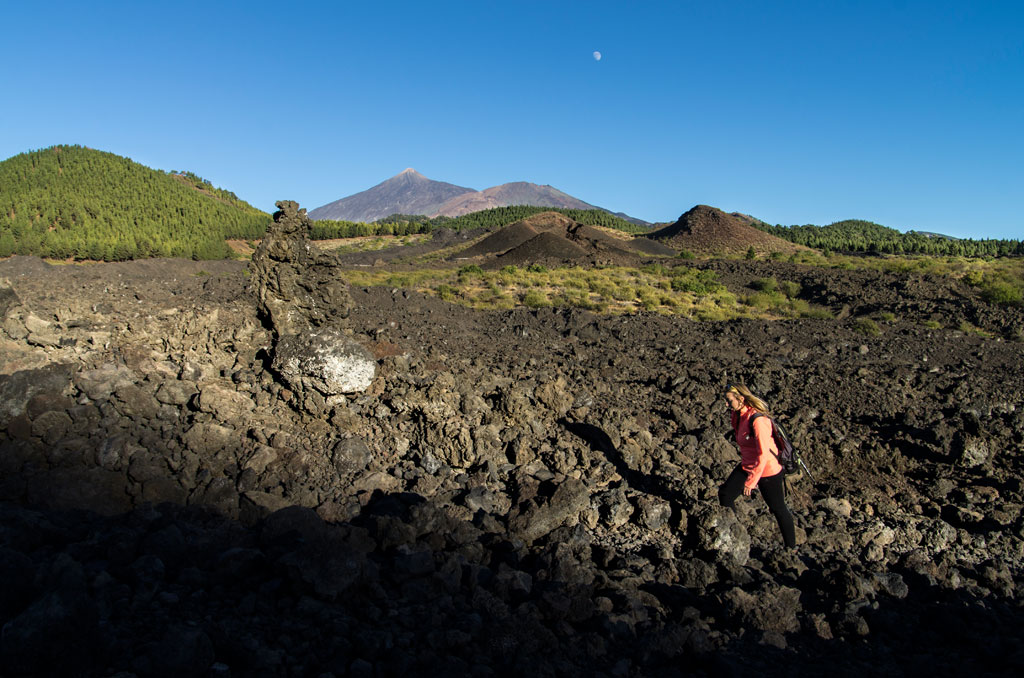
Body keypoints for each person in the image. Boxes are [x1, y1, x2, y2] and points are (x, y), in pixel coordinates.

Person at [719, 384, 796, 548]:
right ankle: (735, 538)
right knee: (726, 494)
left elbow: (764, 454)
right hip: (748, 464)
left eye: (729, 400)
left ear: (740, 399)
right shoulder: (740, 415)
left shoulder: (758, 420)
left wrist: (751, 482)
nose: (726, 404)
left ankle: (791, 548)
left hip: (767, 469)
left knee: (778, 508)